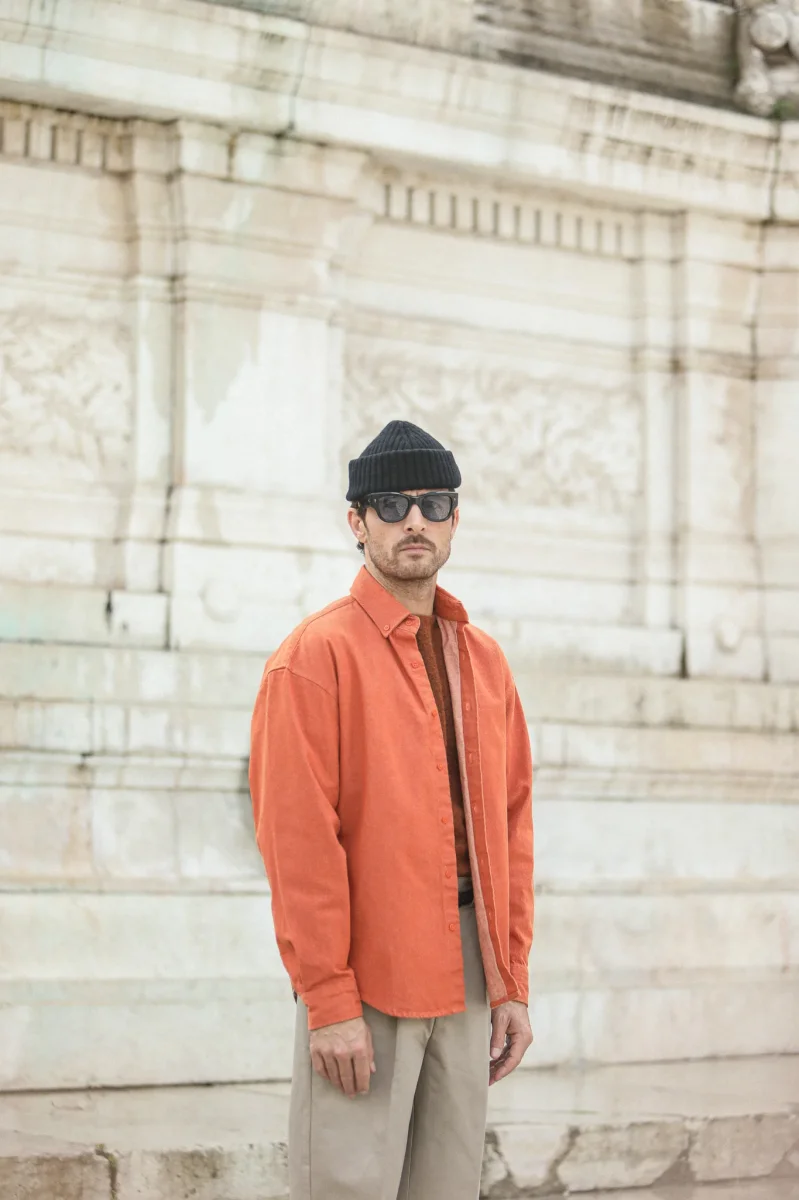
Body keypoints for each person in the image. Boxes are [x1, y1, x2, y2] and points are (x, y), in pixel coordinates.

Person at [249, 420, 534, 1200]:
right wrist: (328, 1000)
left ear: (453, 520)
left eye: (433, 504)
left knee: (447, 1187)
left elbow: (512, 829)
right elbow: (297, 845)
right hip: (370, 974)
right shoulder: (313, 658)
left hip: (471, 971)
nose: (414, 520)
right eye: (391, 505)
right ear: (357, 521)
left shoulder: (485, 662)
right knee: (349, 1186)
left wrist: (509, 981)